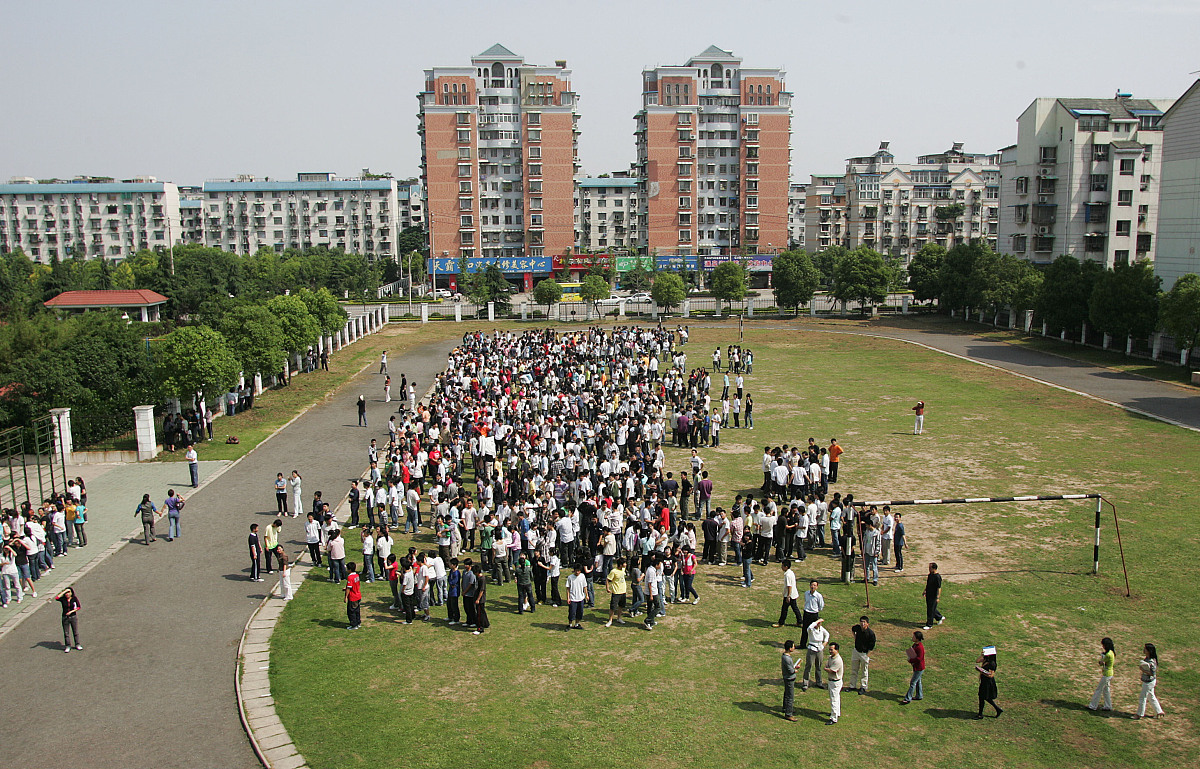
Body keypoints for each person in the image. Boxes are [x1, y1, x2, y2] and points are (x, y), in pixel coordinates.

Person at [1135, 643, 1164, 720]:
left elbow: (1152, 673)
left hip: (1148, 682)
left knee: (1143, 697)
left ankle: (1139, 714)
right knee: (1151, 696)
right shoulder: (1147, 659)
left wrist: (1143, 670)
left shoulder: (1151, 661)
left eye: (1145, 649)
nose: (1144, 650)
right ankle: (1159, 711)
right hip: (1148, 681)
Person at [850, 616, 876, 694]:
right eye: (861, 622)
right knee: (854, 669)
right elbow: (853, 629)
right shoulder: (857, 628)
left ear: (867, 624)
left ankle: (863, 687)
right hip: (856, 651)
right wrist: (855, 637)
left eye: (864, 622)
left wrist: (867, 655)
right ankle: (852, 686)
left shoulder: (871, 634)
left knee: (864, 671)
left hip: (864, 653)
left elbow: (872, 646)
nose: (862, 624)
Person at [1088, 637, 1116, 712]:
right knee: (1106, 690)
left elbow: (1101, 663)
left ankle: (1093, 706)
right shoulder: (1111, 653)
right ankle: (1108, 706)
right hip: (1109, 673)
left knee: (1099, 689)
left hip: (1107, 674)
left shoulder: (1108, 655)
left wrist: (1101, 658)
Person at [802, 617, 829, 692]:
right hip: (812, 649)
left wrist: (824, 643)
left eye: (820, 623)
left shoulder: (821, 629)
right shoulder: (811, 629)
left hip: (819, 649)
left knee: (819, 666)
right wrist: (816, 622)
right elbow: (809, 627)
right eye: (818, 623)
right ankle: (805, 683)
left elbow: (827, 634)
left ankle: (819, 682)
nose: (818, 624)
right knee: (809, 666)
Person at [975, 646, 1002, 719]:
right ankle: (997, 709)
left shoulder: (992, 663)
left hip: (988, 682)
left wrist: (981, 672)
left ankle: (980, 714)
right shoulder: (986, 659)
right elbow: (977, 661)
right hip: (984, 681)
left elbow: (991, 675)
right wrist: (981, 655)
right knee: (985, 697)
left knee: (982, 697)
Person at [773, 559, 802, 628]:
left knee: (785, 609)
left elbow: (789, 586)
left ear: (786, 567)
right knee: (794, 608)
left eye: (782, 566)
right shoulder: (791, 572)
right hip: (793, 594)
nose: (781, 567)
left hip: (790, 595)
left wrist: (788, 596)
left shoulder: (788, 575)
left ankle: (781, 622)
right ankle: (800, 621)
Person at [53, 587, 82, 652]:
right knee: (66, 633)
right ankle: (68, 646)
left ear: (71, 593)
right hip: (65, 618)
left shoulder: (74, 598)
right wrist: (63, 591)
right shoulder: (63, 599)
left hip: (73, 617)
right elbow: (57, 598)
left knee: (75, 632)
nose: (67, 594)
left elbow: (78, 607)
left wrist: (71, 612)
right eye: (66, 593)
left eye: (68, 592)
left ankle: (77, 644)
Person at [902, 631, 925, 704]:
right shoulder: (915, 645)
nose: (912, 638)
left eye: (914, 637)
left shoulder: (920, 647)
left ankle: (908, 698)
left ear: (917, 638)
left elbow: (919, 658)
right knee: (918, 681)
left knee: (913, 682)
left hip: (919, 668)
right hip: (917, 667)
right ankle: (919, 695)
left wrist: (911, 660)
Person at [604, 556, 628, 627]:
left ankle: (619, 618)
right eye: (624, 563)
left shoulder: (623, 569)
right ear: (620, 564)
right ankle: (610, 620)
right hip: (616, 592)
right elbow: (608, 579)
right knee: (613, 607)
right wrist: (607, 588)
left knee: (621, 606)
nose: (626, 564)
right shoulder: (613, 571)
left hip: (623, 591)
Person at [824, 642, 843, 725]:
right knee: (836, 698)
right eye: (829, 649)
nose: (830, 651)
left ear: (837, 650)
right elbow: (827, 666)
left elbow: (831, 670)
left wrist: (827, 669)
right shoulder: (831, 658)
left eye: (831, 650)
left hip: (835, 682)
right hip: (832, 681)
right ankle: (836, 713)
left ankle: (833, 718)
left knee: (834, 700)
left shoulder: (838, 660)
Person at [801, 580, 824, 649]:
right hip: (806, 613)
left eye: (814, 585)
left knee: (814, 630)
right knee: (805, 629)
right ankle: (802, 644)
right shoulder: (806, 593)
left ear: (817, 587)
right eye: (812, 585)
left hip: (814, 614)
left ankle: (814, 644)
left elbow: (821, 605)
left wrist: (816, 610)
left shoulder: (818, 596)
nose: (812, 587)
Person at [922, 562, 944, 630]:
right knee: (931, 608)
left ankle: (929, 624)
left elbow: (939, 588)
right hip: (929, 594)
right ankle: (939, 617)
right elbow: (928, 584)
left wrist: (937, 597)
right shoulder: (930, 575)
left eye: (930, 568)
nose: (929, 569)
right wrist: (925, 590)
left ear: (934, 568)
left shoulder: (937, 577)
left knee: (930, 610)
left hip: (934, 596)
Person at [781, 639, 798, 722]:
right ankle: (788, 713)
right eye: (793, 646)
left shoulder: (785, 656)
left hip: (787, 677)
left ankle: (786, 708)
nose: (794, 648)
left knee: (787, 694)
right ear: (790, 648)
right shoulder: (787, 658)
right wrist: (795, 670)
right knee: (790, 696)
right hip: (789, 678)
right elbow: (790, 671)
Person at [566, 563, 587, 630]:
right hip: (573, 598)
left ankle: (577, 624)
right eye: (576, 570)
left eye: (578, 571)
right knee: (572, 612)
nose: (577, 572)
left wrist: (587, 595)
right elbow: (568, 588)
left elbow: (585, 586)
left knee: (580, 612)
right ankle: (570, 624)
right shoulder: (570, 577)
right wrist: (568, 598)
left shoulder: (582, 576)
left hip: (581, 598)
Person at [471, 563, 489, 635]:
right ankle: (486, 623)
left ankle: (480, 628)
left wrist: (478, 599)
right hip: (478, 598)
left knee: (479, 614)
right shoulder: (478, 578)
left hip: (480, 599)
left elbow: (482, 590)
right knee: (482, 612)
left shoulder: (482, 579)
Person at [344, 562, 362, 630]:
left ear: (350, 569)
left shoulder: (350, 577)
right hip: (358, 595)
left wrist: (346, 597)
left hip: (353, 597)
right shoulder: (357, 575)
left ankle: (354, 625)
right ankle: (358, 622)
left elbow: (349, 588)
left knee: (351, 611)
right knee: (357, 610)